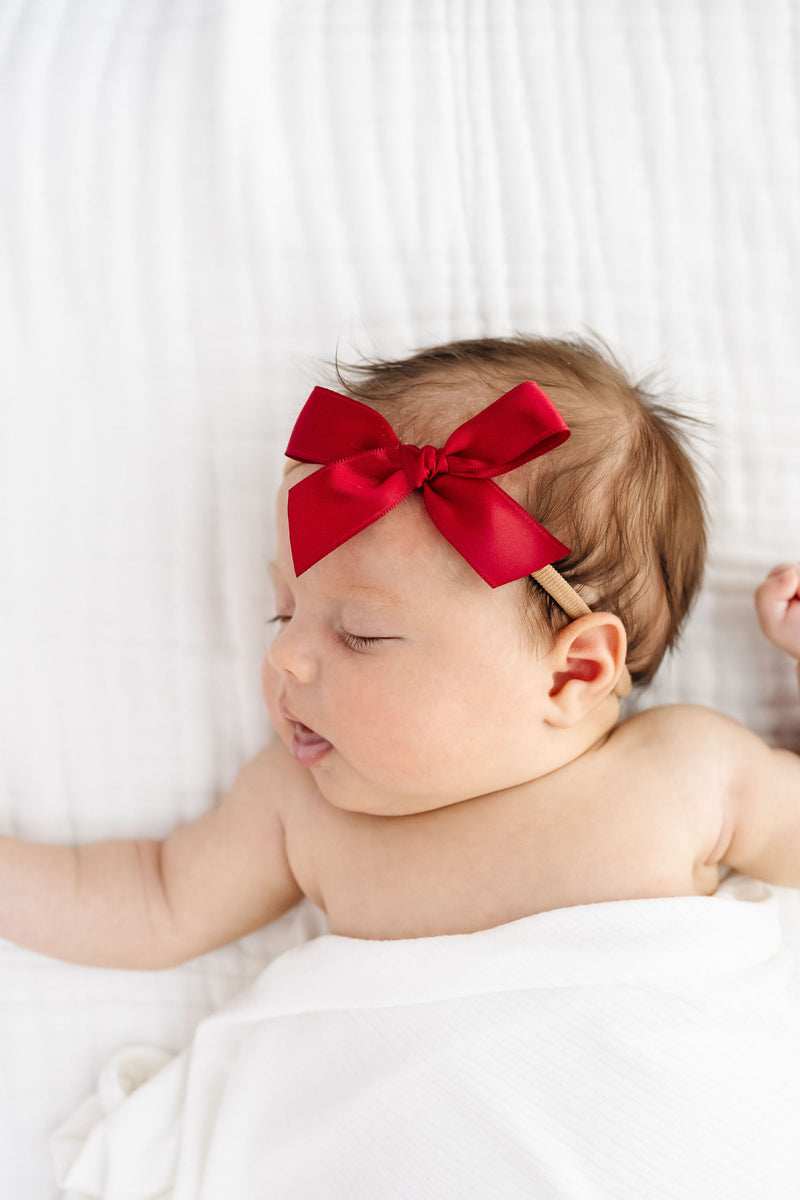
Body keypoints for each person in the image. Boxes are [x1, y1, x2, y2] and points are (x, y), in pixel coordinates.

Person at [3, 333, 800, 968]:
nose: (285, 659)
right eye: (283, 613)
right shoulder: (301, 806)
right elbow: (152, 900)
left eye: (359, 634)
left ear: (574, 670)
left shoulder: (689, 773)